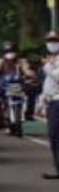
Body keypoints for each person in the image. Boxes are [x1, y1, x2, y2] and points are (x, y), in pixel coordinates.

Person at [40, 31, 59, 179]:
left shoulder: (53, 62)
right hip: (52, 100)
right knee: (53, 136)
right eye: (49, 41)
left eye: (55, 41)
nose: (52, 43)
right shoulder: (51, 59)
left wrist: (48, 67)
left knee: (56, 135)